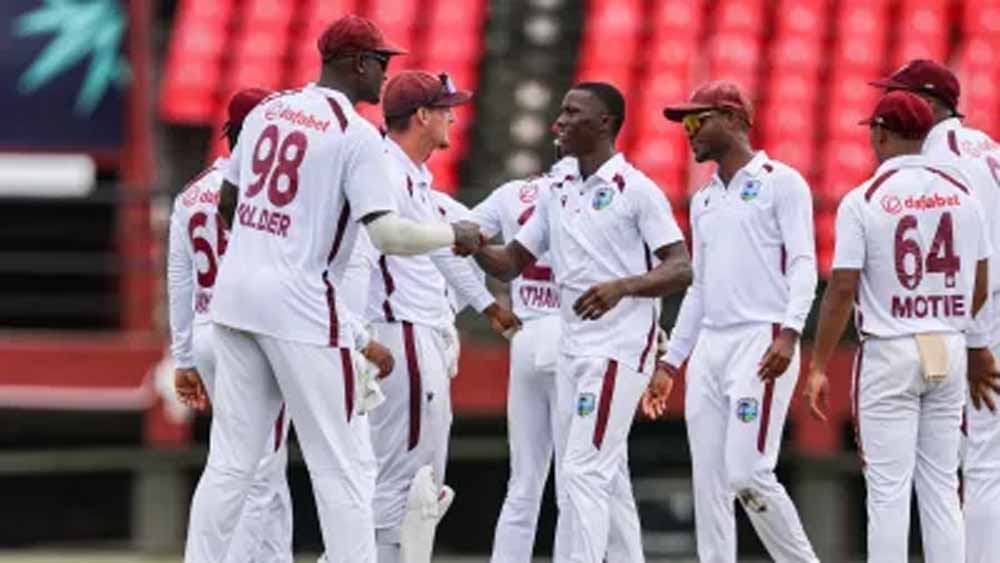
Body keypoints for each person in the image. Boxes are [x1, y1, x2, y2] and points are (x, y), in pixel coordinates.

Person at [182, 15, 483, 563]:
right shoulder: (356, 134)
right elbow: (388, 235)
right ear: (357, 63)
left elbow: (228, 201)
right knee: (346, 466)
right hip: (302, 308)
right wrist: (453, 235)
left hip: (235, 300)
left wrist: (269, 238)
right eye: (381, 62)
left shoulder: (269, 111)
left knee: (230, 464)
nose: (385, 75)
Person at [473, 81, 693, 562]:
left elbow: (681, 267)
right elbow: (510, 262)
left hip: (617, 349)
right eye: (561, 111)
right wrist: (471, 244)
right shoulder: (558, 190)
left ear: (605, 123)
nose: (560, 121)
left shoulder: (635, 190)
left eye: (573, 112)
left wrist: (623, 287)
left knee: (583, 471)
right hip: (572, 347)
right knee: (591, 474)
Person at [805, 90, 997, 563]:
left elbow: (842, 287)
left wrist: (819, 364)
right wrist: (958, 325)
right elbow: (980, 279)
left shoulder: (865, 198)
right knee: (942, 486)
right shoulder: (963, 195)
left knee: (888, 492)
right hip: (947, 344)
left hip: (890, 347)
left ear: (881, 133)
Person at [357, 69, 521, 563]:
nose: (454, 117)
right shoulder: (386, 170)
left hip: (416, 332)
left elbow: (442, 249)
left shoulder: (412, 174)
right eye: (445, 109)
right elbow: (392, 246)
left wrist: (487, 306)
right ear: (422, 115)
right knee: (403, 482)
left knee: (422, 486)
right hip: (400, 330)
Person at [660, 80, 819, 563]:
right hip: (711, 346)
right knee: (708, 484)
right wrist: (670, 363)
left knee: (747, 473)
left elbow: (804, 262)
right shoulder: (704, 198)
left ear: (732, 119)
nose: (688, 131)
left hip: (761, 338)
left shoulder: (781, 182)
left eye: (696, 119)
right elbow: (699, 288)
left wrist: (790, 332)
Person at [869, 59, 1000, 563]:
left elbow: (974, 260)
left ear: (925, 103)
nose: (887, 105)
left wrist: (977, 340)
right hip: (982, 307)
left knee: (979, 462)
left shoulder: (935, 159)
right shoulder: (986, 145)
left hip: (975, 314)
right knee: (984, 457)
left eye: (898, 96)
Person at [168, 87, 295, 563]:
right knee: (255, 471)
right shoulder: (268, 189)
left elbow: (179, 279)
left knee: (255, 464)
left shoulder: (191, 193)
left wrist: (183, 357)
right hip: (250, 331)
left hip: (206, 327)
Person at [472, 156, 570, 562]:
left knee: (523, 483)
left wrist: (482, 302)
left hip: (526, 335)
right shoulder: (589, 194)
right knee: (579, 483)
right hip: (573, 336)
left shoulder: (513, 193)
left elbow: (457, 239)